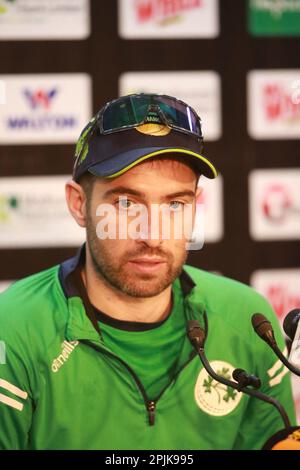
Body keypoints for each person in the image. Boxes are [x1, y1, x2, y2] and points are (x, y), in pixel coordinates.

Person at [0, 93, 296, 450]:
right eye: (126, 203)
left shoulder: (248, 321)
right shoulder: (13, 330)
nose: (152, 233)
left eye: (175, 204)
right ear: (79, 204)